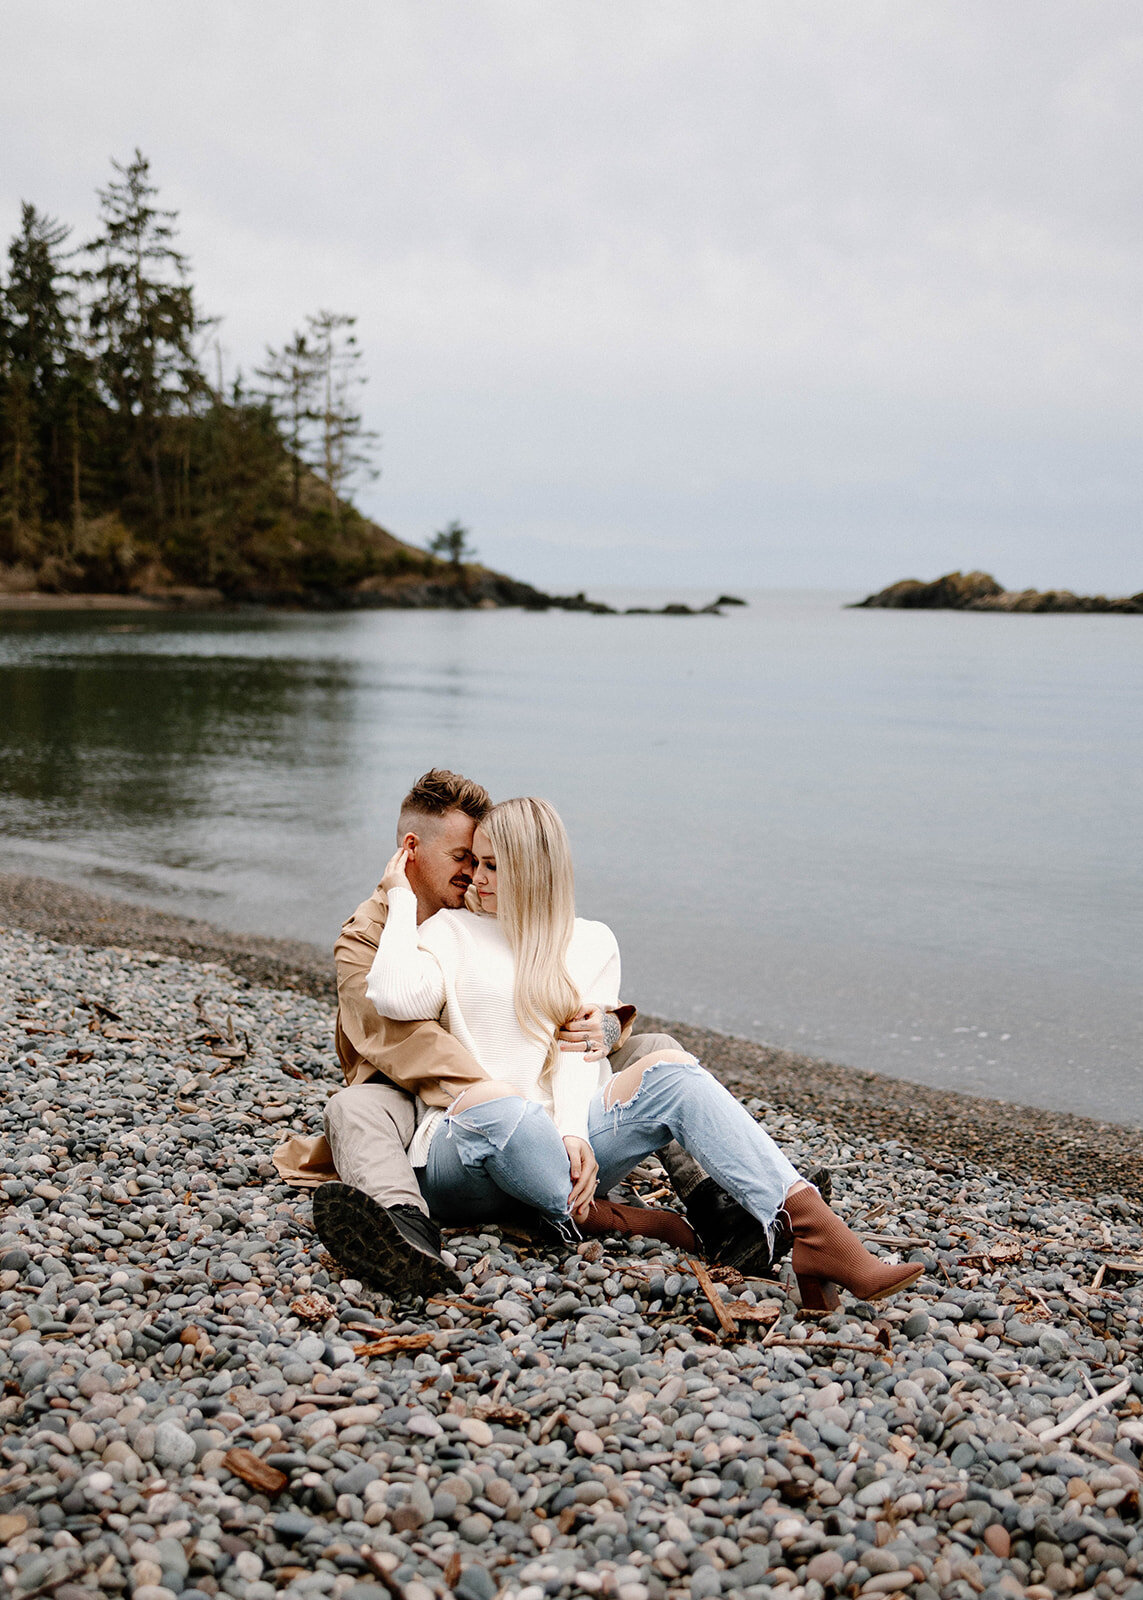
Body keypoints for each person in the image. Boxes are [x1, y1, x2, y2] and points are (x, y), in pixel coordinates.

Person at [365, 795, 923, 1313]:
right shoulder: (450, 930)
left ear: (532, 871)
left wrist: (576, 1134)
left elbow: (578, 1054)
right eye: (475, 863)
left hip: (558, 1152)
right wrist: (399, 898)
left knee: (673, 1072)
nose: (474, 880)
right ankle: (616, 1218)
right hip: (464, 1155)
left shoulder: (590, 941)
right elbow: (391, 993)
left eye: (491, 867)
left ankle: (819, 1237)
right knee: (504, 1108)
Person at [274, 770, 786, 1295]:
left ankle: (724, 1207)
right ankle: (404, 1228)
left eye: (486, 860)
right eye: (464, 859)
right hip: (419, 1096)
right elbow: (405, 1046)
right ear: (411, 851)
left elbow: (550, 982)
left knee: (659, 1051)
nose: (476, 874)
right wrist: (511, 1102)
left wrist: (603, 1026)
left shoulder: (484, 902)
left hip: (527, 1098)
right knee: (352, 1109)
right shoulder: (368, 936)